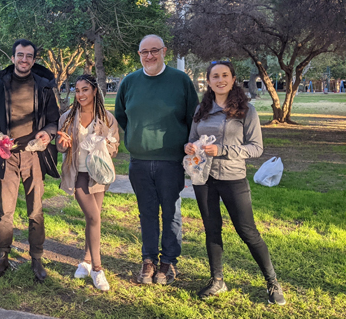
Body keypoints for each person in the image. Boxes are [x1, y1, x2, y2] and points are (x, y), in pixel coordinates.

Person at [184, 61, 286, 305]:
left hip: (233, 178)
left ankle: (272, 281)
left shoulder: (246, 110)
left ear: (232, 79)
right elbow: (191, 140)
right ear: (208, 81)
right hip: (203, 178)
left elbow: (256, 149)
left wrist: (222, 149)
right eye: (215, 76)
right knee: (211, 229)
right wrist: (188, 147)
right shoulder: (202, 109)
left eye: (225, 75)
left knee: (247, 231)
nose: (220, 80)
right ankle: (217, 280)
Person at [114, 34, 198, 285]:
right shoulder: (129, 82)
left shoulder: (180, 80)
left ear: (164, 51)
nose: (149, 56)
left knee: (171, 212)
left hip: (170, 161)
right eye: (144, 52)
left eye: (154, 51)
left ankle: (169, 262)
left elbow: (193, 117)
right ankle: (148, 259)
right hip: (139, 161)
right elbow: (122, 115)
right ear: (138, 54)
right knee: (146, 212)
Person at [0, 38, 59, 282]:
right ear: (13, 58)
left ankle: (36, 258)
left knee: (35, 210)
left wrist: (47, 132)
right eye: (20, 55)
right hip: (7, 157)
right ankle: (2, 256)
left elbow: (54, 120)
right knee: (6, 211)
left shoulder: (44, 87)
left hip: (34, 156)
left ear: (33, 60)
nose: (24, 59)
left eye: (28, 56)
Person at [56, 75, 119, 291]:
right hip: (78, 174)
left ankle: (86, 259)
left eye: (85, 90)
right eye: (77, 90)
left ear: (94, 92)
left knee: (93, 219)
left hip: (98, 174)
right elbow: (61, 147)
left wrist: (106, 144)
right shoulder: (67, 116)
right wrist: (63, 144)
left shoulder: (106, 118)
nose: (81, 94)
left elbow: (115, 147)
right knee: (94, 217)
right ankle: (98, 269)